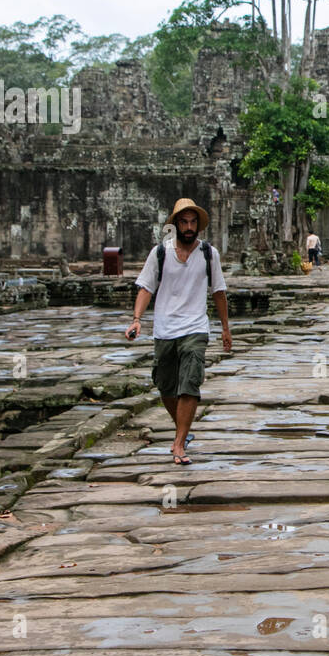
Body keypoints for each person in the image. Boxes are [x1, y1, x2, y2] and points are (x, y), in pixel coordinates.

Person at [127, 197, 231, 466]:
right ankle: (181, 430)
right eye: (183, 222)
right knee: (166, 386)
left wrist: (225, 328)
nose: (188, 227)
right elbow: (146, 288)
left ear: (199, 225)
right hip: (164, 328)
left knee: (190, 383)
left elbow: (219, 292)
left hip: (196, 327)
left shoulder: (209, 254)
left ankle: (178, 443)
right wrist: (136, 319)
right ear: (175, 225)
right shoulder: (159, 253)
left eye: (192, 222)